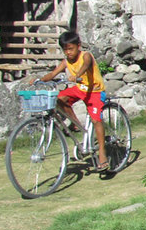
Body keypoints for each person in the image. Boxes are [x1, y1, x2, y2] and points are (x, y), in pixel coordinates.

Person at [35, 30, 108, 170]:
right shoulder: (66, 61)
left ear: (78, 46)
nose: (68, 52)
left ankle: (102, 153)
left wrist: (77, 75)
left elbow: (86, 65)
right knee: (59, 98)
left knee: (96, 120)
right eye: (65, 50)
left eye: (71, 49)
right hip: (80, 90)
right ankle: (75, 124)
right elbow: (53, 73)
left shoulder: (86, 55)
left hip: (95, 91)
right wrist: (39, 80)